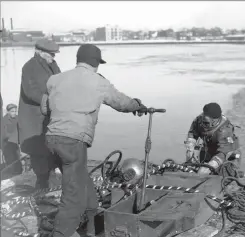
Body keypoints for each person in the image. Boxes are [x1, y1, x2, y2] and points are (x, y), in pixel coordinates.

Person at [40, 44, 148, 237]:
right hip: (73, 142)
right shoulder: (98, 81)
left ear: (78, 59)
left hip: (51, 139)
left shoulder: (55, 79)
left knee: (83, 181)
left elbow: (43, 108)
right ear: (96, 63)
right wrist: (137, 105)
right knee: (73, 197)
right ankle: (60, 233)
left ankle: (93, 227)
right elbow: (121, 102)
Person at [17, 39, 61, 189]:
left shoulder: (53, 65)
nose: (53, 57)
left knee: (52, 150)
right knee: (39, 153)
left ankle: (51, 181)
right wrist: (48, 100)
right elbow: (30, 92)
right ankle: (42, 186)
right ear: (39, 52)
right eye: (51, 54)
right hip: (34, 119)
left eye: (54, 55)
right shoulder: (29, 67)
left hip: (49, 116)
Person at [184, 102, 241, 175]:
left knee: (223, 174)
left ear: (214, 121)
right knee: (197, 169)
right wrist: (190, 149)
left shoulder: (224, 130)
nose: (203, 125)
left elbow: (223, 152)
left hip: (228, 153)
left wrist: (210, 166)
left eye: (206, 123)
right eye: (203, 121)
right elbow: (192, 134)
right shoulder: (199, 120)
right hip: (209, 147)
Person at [1, 104, 23, 177]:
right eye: (12, 111)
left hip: (14, 141)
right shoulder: (4, 120)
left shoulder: (17, 118)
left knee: (17, 156)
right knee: (10, 158)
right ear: (8, 112)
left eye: (15, 111)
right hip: (6, 143)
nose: (14, 113)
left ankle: (19, 172)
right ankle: (12, 174)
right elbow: (3, 134)